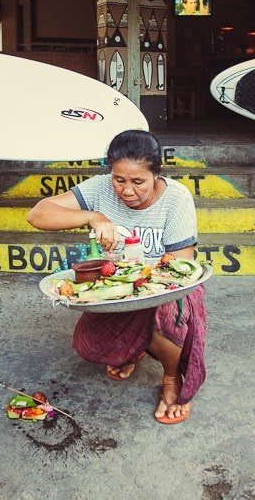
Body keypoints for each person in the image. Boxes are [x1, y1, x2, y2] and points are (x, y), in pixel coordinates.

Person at [26, 129, 206, 424]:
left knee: (169, 310)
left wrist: (143, 277)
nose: (127, 191)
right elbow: (37, 214)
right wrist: (92, 216)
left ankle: (172, 377)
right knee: (88, 345)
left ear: (157, 173)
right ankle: (136, 348)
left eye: (138, 182)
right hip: (120, 290)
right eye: (119, 179)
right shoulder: (99, 189)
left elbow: (181, 269)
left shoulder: (176, 198)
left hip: (164, 288)